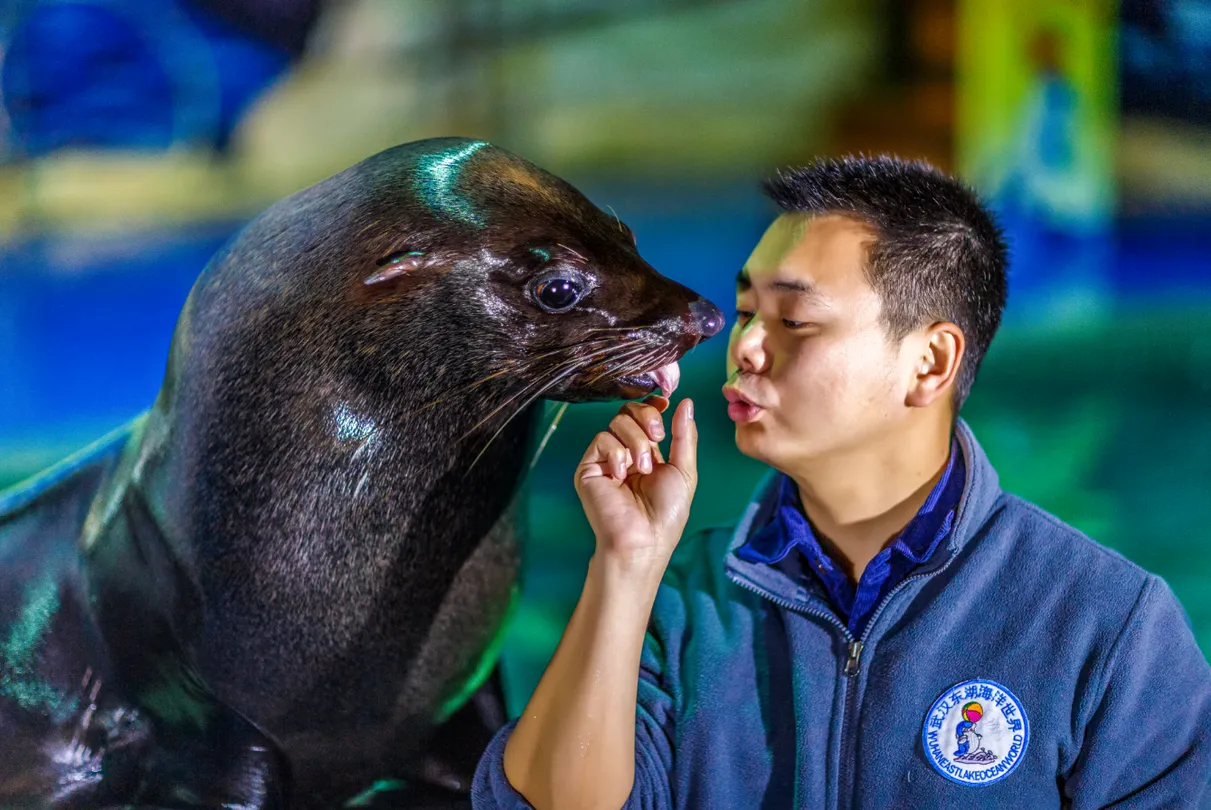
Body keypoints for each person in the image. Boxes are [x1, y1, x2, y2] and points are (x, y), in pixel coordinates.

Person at [470, 156, 1211, 808]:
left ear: (928, 363)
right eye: (745, 312)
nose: (743, 347)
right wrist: (625, 565)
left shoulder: (1109, 626)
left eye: (793, 320)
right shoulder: (678, 603)